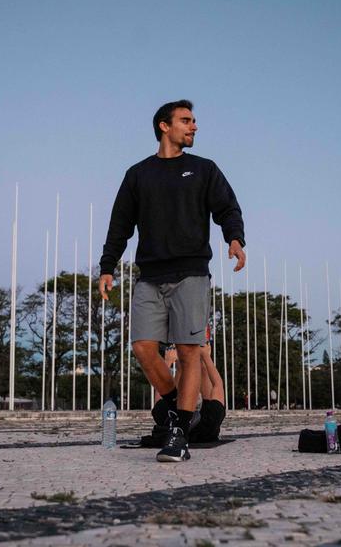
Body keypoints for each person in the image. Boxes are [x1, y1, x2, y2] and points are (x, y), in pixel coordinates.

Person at [98, 99, 245, 462]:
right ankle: (172, 408)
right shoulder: (138, 174)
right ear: (164, 126)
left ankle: (178, 435)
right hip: (150, 274)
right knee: (144, 348)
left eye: (193, 121)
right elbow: (120, 225)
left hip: (192, 272)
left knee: (190, 351)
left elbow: (227, 207)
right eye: (186, 120)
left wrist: (235, 239)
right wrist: (107, 266)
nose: (193, 127)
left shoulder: (203, 169)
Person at [150, 339, 226, 444]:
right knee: (201, 370)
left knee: (182, 370)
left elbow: (163, 389)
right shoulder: (209, 422)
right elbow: (217, 385)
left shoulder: (167, 417)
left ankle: (182, 364)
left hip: (185, 425)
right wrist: (206, 356)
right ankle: (186, 363)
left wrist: (168, 361)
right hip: (203, 429)